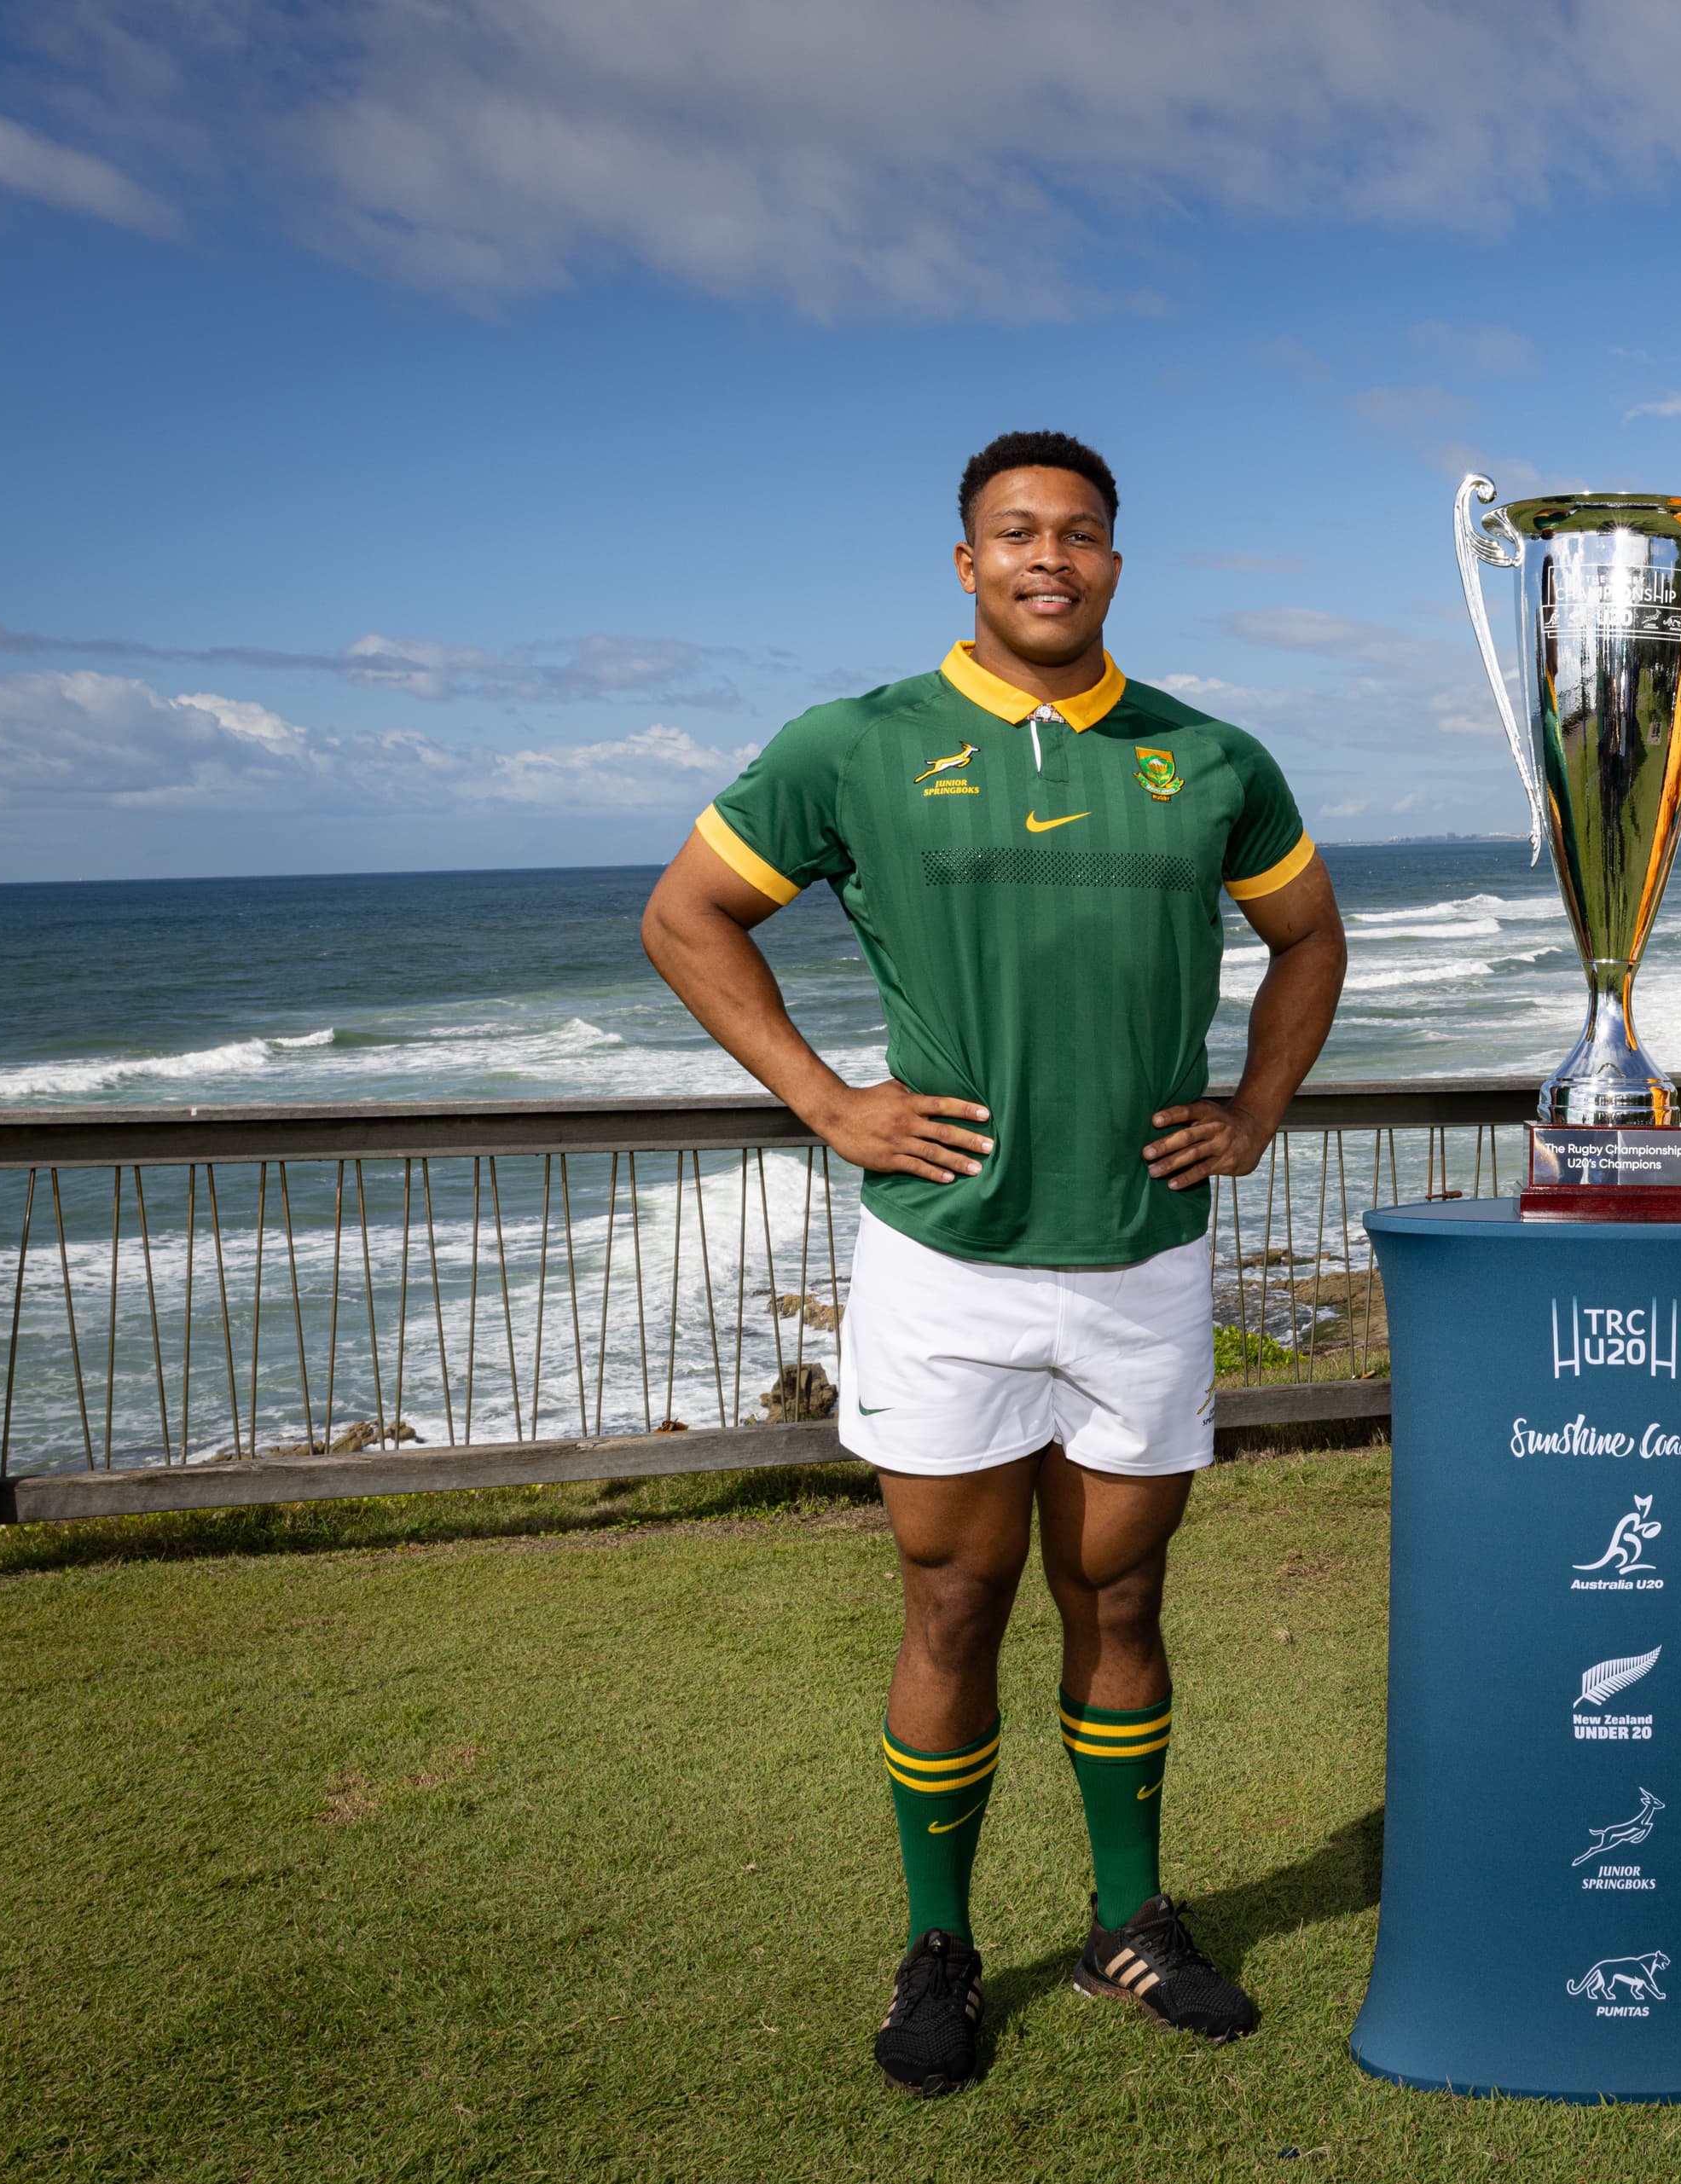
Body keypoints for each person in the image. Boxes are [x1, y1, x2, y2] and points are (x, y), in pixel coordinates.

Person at [641, 429, 1348, 2095]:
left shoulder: (1208, 755)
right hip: (945, 1263)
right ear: (965, 562)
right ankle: (939, 1945)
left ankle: (1127, 1922)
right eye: (1017, 533)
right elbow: (686, 914)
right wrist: (829, 1099)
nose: (1051, 557)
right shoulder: (857, 744)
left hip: (1143, 1263)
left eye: (1082, 533)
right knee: (953, 1597)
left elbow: (1309, 936)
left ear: (1116, 560)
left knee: (1122, 1592)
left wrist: (1253, 1107)